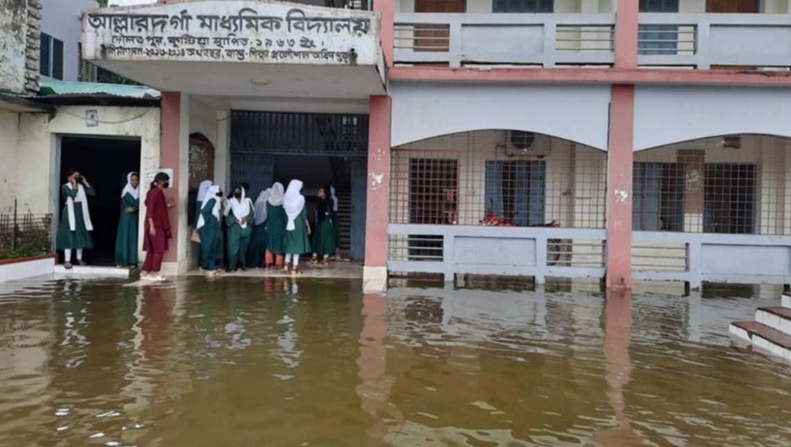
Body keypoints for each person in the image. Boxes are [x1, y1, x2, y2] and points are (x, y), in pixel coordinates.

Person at [56, 169, 96, 269]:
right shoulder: (65, 186)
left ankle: (79, 259)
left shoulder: (81, 186)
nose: (76, 179)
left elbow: (92, 193)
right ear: (69, 177)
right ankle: (67, 260)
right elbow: (73, 194)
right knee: (69, 236)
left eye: (77, 177)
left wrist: (84, 181)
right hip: (69, 212)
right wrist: (74, 183)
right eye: (74, 176)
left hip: (80, 212)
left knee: (80, 235)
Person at [141, 172, 173, 281]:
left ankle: (145, 271)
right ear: (160, 181)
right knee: (158, 249)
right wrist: (152, 227)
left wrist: (168, 206)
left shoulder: (157, 192)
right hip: (155, 225)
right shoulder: (155, 193)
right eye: (165, 181)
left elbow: (158, 208)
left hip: (157, 224)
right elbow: (150, 210)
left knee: (152, 249)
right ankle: (154, 272)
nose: (166, 183)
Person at [282, 180, 311, 275]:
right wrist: (308, 226)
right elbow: (304, 214)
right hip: (297, 223)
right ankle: (294, 268)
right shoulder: (300, 198)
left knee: (290, 245)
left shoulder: (285, 198)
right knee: (297, 246)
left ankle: (286, 265)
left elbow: (283, 212)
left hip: (288, 224)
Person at [225, 184, 255, 272]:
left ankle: (241, 266)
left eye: (239, 191)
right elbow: (226, 215)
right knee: (233, 248)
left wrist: (246, 218)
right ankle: (231, 266)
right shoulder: (230, 202)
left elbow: (252, 214)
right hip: (234, 228)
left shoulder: (247, 201)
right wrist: (235, 220)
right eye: (236, 191)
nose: (237, 193)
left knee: (243, 249)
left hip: (246, 229)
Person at [115, 172, 140, 268]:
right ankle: (122, 261)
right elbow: (135, 202)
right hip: (126, 218)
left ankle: (132, 261)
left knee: (133, 238)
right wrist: (137, 206)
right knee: (125, 237)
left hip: (135, 217)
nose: (134, 182)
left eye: (136, 180)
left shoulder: (139, 191)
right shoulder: (126, 191)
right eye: (132, 180)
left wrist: (135, 208)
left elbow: (141, 202)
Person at [197, 184, 223, 276]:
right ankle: (209, 267)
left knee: (212, 246)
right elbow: (204, 211)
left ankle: (207, 266)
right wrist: (212, 219)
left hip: (212, 227)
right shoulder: (212, 199)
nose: (220, 192)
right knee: (208, 247)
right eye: (218, 190)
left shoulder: (216, 200)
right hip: (207, 227)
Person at [311, 186, 336, 266]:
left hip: (325, 222)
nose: (319, 192)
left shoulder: (329, 201)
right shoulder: (319, 201)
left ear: (325, 193)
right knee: (317, 238)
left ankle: (324, 258)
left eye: (321, 191)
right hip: (320, 222)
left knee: (325, 239)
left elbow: (329, 212)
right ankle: (315, 257)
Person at [265, 182, 286, 270]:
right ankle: (279, 264)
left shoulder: (268, 201)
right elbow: (284, 216)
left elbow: (267, 214)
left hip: (269, 225)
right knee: (278, 244)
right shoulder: (282, 202)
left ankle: (268, 264)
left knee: (269, 243)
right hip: (279, 226)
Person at [247, 188, 270, 269]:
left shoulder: (257, 202)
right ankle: (263, 263)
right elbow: (266, 216)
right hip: (263, 227)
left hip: (256, 227)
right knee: (263, 246)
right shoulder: (267, 203)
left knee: (255, 246)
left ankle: (254, 262)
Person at [330, 184, 341, 260]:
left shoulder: (332, 199)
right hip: (334, 216)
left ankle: (335, 253)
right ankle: (336, 253)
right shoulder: (334, 198)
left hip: (332, 216)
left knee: (333, 235)